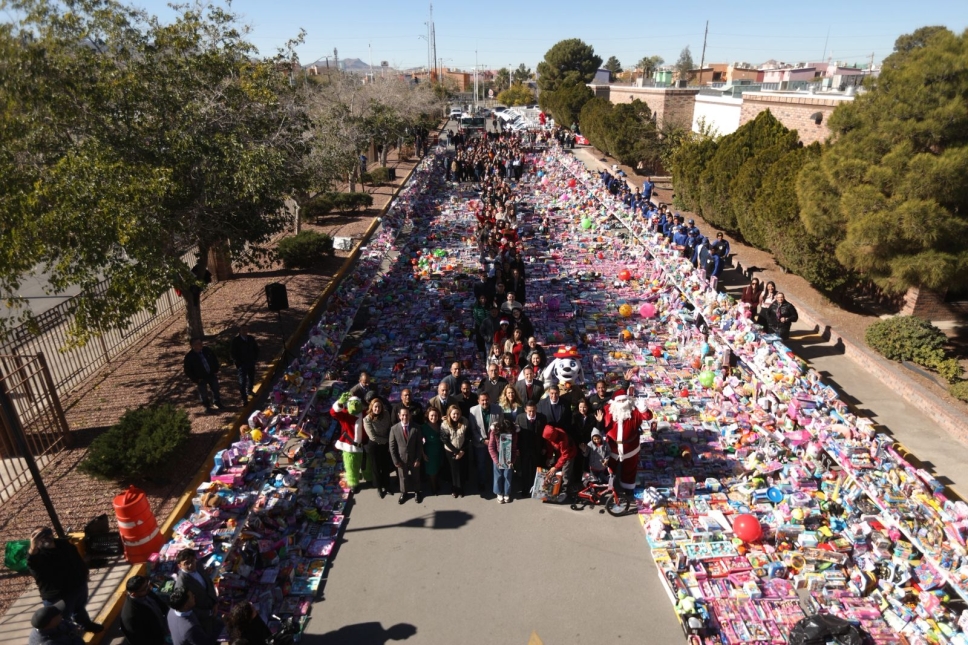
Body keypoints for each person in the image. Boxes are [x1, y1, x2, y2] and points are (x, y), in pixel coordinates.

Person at [26, 527, 101, 634]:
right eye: (39, 536)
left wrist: (84, 573)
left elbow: (77, 559)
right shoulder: (37, 556)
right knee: (60, 619)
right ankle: (67, 636)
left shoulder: (63, 545)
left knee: (80, 608)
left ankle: (86, 625)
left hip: (78, 586)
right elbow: (32, 562)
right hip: (58, 595)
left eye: (47, 533)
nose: (45, 537)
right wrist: (33, 547)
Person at [173, 549, 218, 636]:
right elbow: (188, 608)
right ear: (180, 566)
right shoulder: (181, 584)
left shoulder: (198, 566)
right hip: (203, 618)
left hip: (213, 607)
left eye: (192, 561)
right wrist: (208, 613)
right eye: (186, 563)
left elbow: (209, 583)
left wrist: (215, 602)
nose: (191, 565)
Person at [331, 393, 367, 493]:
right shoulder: (345, 414)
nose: (354, 406)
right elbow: (333, 413)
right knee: (351, 466)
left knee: (366, 464)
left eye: (356, 404)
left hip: (364, 445)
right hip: (349, 446)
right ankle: (353, 483)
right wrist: (340, 403)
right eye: (352, 403)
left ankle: (369, 478)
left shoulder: (364, 413)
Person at [468, 391, 503, 497]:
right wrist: (482, 440)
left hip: (494, 442)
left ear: (490, 399)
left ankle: (495, 483)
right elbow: (473, 429)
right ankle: (482, 482)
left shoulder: (498, 409)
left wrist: (493, 439)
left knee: (495, 464)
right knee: (481, 464)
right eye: (482, 400)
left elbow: (501, 425)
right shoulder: (473, 411)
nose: (485, 402)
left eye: (487, 400)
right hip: (480, 443)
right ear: (478, 401)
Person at [120, 575, 169, 645]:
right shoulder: (131, 615)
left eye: (147, 585)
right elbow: (139, 639)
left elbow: (161, 604)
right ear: (134, 594)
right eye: (145, 588)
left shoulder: (145, 591)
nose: (149, 588)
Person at [389, 407, 422, 504]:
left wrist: (418, 459)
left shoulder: (416, 427)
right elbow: (392, 446)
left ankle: (417, 491)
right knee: (403, 477)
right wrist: (395, 460)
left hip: (414, 458)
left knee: (416, 475)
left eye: (407, 415)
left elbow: (419, 445)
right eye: (403, 415)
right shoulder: (394, 429)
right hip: (401, 459)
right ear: (399, 416)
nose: (405, 417)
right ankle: (404, 492)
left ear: (410, 415)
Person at [362, 397, 394, 498]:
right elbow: (373, 437)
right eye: (375, 407)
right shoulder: (367, 419)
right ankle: (379, 487)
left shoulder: (386, 414)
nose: (377, 409)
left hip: (385, 444)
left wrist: (389, 440)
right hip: (374, 446)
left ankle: (387, 486)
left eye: (379, 407)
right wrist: (387, 440)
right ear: (372, 407)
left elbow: (389, 427)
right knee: (376, 467)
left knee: (385, 466)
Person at [514, 401, 546, 497]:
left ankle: (535, 488)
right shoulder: (520, 418)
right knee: (525, 469)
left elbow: (544, 435)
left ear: (536, 409)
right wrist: (517, 448)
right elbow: (517, 435)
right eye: (529, 411)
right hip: (524, 448)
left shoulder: (542, 418)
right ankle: (525, 488)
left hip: (537, 448)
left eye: (533, 411)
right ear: (525, 410)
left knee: (536, 469)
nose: (532, 413)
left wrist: (544, 447)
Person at [183, 338, 223, 412]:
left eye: (200, 342)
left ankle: (217, 403)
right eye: (198, 343)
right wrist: (196, 379)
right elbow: (187, 370)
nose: (200, 344)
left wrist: (216, 369)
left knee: (216, 389)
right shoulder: (189, 357)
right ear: (193, 345)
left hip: (211, 374)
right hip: (201, 378)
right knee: (203, 393)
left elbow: (214, 359)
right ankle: (207, 406)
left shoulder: (207, 350)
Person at [440, 405, 470, 497]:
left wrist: (462, 451)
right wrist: (456, 451)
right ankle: (454, 489)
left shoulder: (465, 421)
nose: (456, 416)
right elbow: (444, 439)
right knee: (453, 471)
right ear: (449, 414)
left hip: (463, 450)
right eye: (454, 414)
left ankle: (461, 488)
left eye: (457, 414)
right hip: (450, 451)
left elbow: (468, 437)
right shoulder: (445, 424)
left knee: (462, 470)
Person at [541, 424, 577, 497]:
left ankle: (564, 490)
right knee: (557, 472)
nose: (549, 440)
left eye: (549, 439)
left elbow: (565, 455)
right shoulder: (550, 437)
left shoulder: (563, 438)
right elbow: (550, 446)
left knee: (565, 472)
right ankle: (556, 488)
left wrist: (556, 467)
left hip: (569, 454)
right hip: (560, 453)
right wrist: (549, 457)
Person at [488, 419, 518, 503]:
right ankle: (499, 492)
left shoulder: (514, 433)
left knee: (507, 475)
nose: (508, 432)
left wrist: (512, 460)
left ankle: (506, 493)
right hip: (497, 455)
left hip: (508, 455)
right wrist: (496, 461)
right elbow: (491, 447)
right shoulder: (494, 432)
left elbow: (514, 448)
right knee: (498, 475)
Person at [229, 324, 259, 405]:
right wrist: (238, 363)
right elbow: (233, 353)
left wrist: (254, 359)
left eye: (246, 329)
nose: (244, 331)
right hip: (242, 365)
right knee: (243, 382)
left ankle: (249, 390)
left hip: (251, 363)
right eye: (243, 329)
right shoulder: (236, 341)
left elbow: (256, 349)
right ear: (240, 331)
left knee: (251, 378)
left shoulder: (250, 338)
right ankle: (244, 399)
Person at [421, 407, 444, 496]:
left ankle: (437, 484)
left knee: (437, 469)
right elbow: (420, 442)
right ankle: (433, 489)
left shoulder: (440, 425)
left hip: (440, 451)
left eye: (436, 415)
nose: (434, 417)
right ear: (427, 416)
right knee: (432, 472)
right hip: (430, 452)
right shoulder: (423, 427)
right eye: (432, 415)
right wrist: (423, 454)